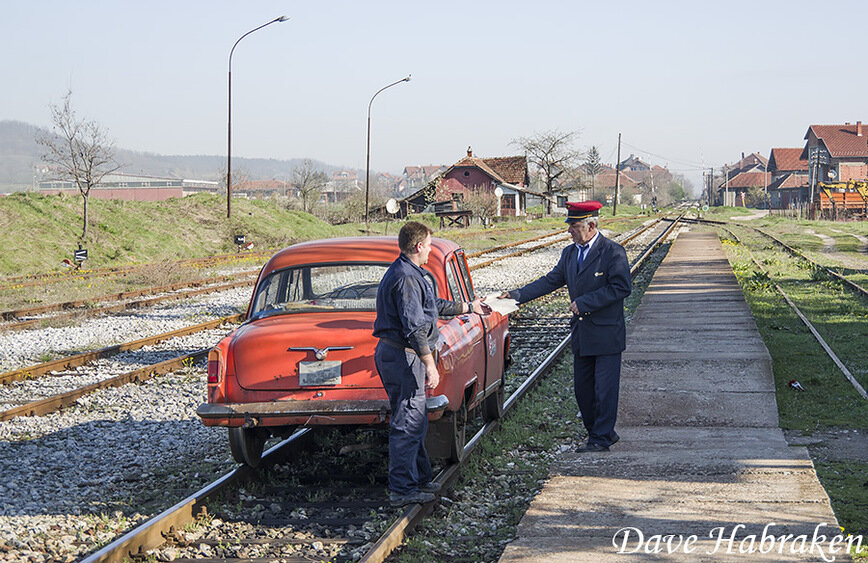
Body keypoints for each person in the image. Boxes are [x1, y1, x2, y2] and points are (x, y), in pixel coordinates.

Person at [501, 201, 631, 452]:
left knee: (604, 391)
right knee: (583, 391)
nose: (569, 231)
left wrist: (584, 302)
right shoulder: (569, 254)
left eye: (574, 226)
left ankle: (601, 439)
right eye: (569, 226)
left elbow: (621, 288)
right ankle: (600, 433)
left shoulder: (613, 252)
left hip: (606, 334)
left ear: (591, 225)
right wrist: (517, 294)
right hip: (582, 334)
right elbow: (550, 281)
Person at [373, 221, 487, 506]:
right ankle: (402, 489)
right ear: (419, 246)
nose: (431, 250)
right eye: (430, 245)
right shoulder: (406, 278)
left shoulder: (410, 273)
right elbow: (414, 327)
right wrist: (430, 363)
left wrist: (468, 307)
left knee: (416, 419)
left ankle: (420, 480)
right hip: (403, 356)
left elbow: (431, 306)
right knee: (408, 422)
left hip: (401, 355)